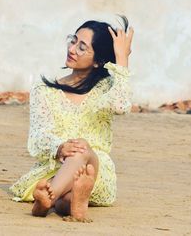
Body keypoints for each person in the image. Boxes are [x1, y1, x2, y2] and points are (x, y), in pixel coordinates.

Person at [10, 15, 134, 222]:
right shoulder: (44, 90)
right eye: (73, 40)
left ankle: (46, 201)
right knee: (69, 192)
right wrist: (59, 147)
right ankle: (71, 202)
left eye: (82, 47)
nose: (72, 49)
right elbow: (38, 136)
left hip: (95, 170)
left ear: (98, 61)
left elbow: (121, 105)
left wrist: (122, 60)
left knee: (82, 149)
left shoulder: (106, 88)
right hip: (56, 168)